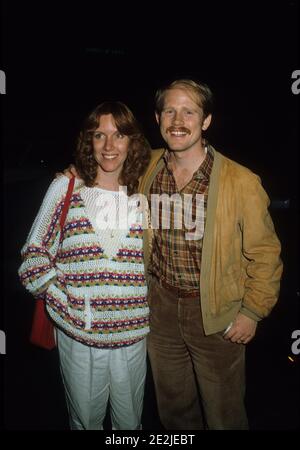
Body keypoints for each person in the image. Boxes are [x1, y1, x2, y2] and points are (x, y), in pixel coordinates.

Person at [63, 79, 283, 430]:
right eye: (169, 111)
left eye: (189, 111)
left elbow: (266, 253)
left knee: (224, 415)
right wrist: (74, 175)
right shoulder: (145, 166)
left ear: (206, 121)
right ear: (157, 117)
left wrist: (252, 311)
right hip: (160, 310)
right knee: (174, 413)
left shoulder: (240, 181)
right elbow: (104, 165)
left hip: (214, 314)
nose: (178, 120)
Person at [18, 101, 151, 430]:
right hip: (78, 333)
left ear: (132, 142)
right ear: (87, 141)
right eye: (99, 135)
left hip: (133, 336)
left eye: (119, 136)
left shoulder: (145, 194)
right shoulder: (65, 189)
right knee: (84, 422)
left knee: (130, 425)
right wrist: (65, 303)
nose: (109, 146)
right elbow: (33, 256)